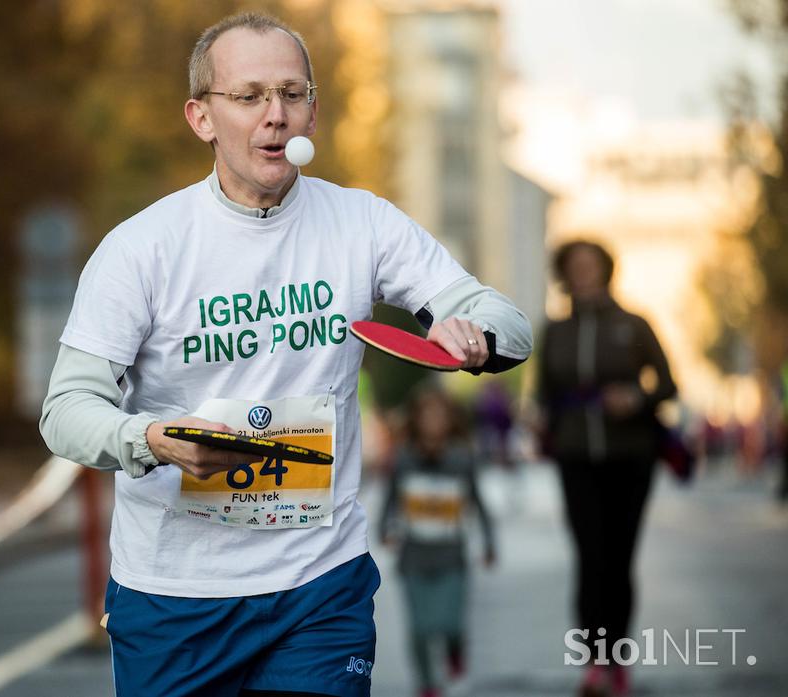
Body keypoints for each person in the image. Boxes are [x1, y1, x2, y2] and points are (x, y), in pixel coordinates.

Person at [40, 13, 532, 697]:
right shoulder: (142, 249)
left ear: (313, 113)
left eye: (292, 94)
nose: (275, 115)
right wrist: (153, 439)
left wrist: (473, 335)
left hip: (318, 584)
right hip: (173, 594)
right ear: (201, 117)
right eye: (248, 97)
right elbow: (65, 410)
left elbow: (506, 321)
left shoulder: (363, 224)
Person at [537, 240, 676, 697]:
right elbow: (543, 395)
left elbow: (669, 384)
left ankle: (618, 660)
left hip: (630, 457)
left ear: (606, 270)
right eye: (574, 266)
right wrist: (541, 423)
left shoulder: (633, 324)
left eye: (590, 265)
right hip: (576, 458)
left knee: (619, 559)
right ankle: (593, 661)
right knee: (589, 557)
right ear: (564, 274)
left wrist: (635, 398)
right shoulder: (555, 330)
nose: (583, 273)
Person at [379, 385, 494, 697]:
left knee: (451, 624)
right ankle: (427, 684)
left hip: (451, 557)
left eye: (439, 416)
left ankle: (456, 650)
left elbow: (478, 501)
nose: (433, 423)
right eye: (426, 416)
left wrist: (489, 544)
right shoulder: (404, 457)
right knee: (419, 630)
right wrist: (384, 529)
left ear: (450, 420)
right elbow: (391, 497)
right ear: (415, 420)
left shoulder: (461, 458)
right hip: (414, 558)